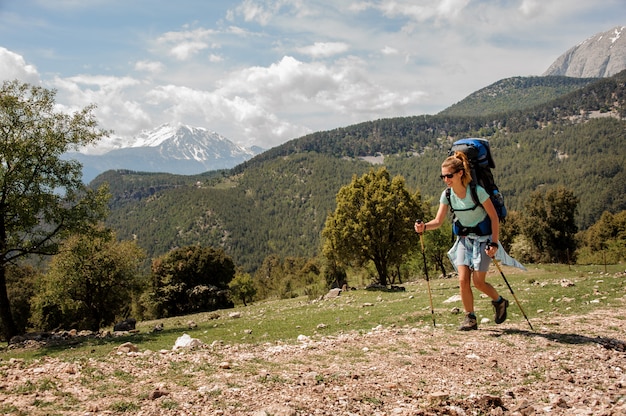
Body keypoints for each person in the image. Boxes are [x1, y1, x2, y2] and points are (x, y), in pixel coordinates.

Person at [414, 151, 508, 330]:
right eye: (443, 176)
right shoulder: (447, 195)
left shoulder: (477, 191)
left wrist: (494, 243)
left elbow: (494, 218)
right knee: (463, 280)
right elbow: (438, 221)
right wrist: (423, 227)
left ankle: (500, 302)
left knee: (479, 282)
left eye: (449, 176)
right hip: (464, 240)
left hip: (483, 240)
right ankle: (470, 318)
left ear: (460, 173)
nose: (446, 179)